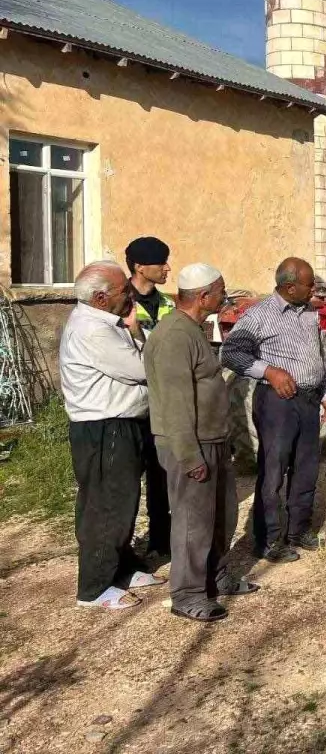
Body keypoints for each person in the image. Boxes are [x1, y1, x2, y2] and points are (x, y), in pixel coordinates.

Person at [145, 264, 257, 622]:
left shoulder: (192, 330)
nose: (225, 297)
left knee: (222, 514)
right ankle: (188, 594)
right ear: (204, 296)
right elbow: (176, 404)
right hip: (190, 443)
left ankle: (217, 576)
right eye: (221, 291)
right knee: (194, 520)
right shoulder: (174, 337)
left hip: (214, 438)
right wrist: (190, 456)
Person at [60, 261, 164, 610]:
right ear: (102, 298)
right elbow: (143, 368)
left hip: (120, 424)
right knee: (107, 505)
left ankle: (122, 567)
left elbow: (139, 358)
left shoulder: (108, 321)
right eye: (124, 290)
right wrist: (138, 338)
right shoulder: (93, 330)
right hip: (106, 427)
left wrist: (134, 331)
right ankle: (94, 587)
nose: (131, 294)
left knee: (123, 501)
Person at [221, 257, 326, 562]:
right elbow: (231, 353)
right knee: (274, 472)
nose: (314, 289)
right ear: (289, 286)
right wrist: (268, 371)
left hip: (309, 400)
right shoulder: (260, 315)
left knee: (307, 469)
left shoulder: (309, 313)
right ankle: (269, 539)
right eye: (309, 284)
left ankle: (298, 531)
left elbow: (319, 356)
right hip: (277, 403)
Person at [124, 236, 174, 559]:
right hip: (132, 404)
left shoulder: (167, 303)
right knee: (128, 481)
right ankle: (123, 549)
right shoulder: (120, 303)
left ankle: (160, 540)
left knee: (161, 474)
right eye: (161, 263)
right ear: (140, 267)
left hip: (163, 402)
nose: (168, 268)